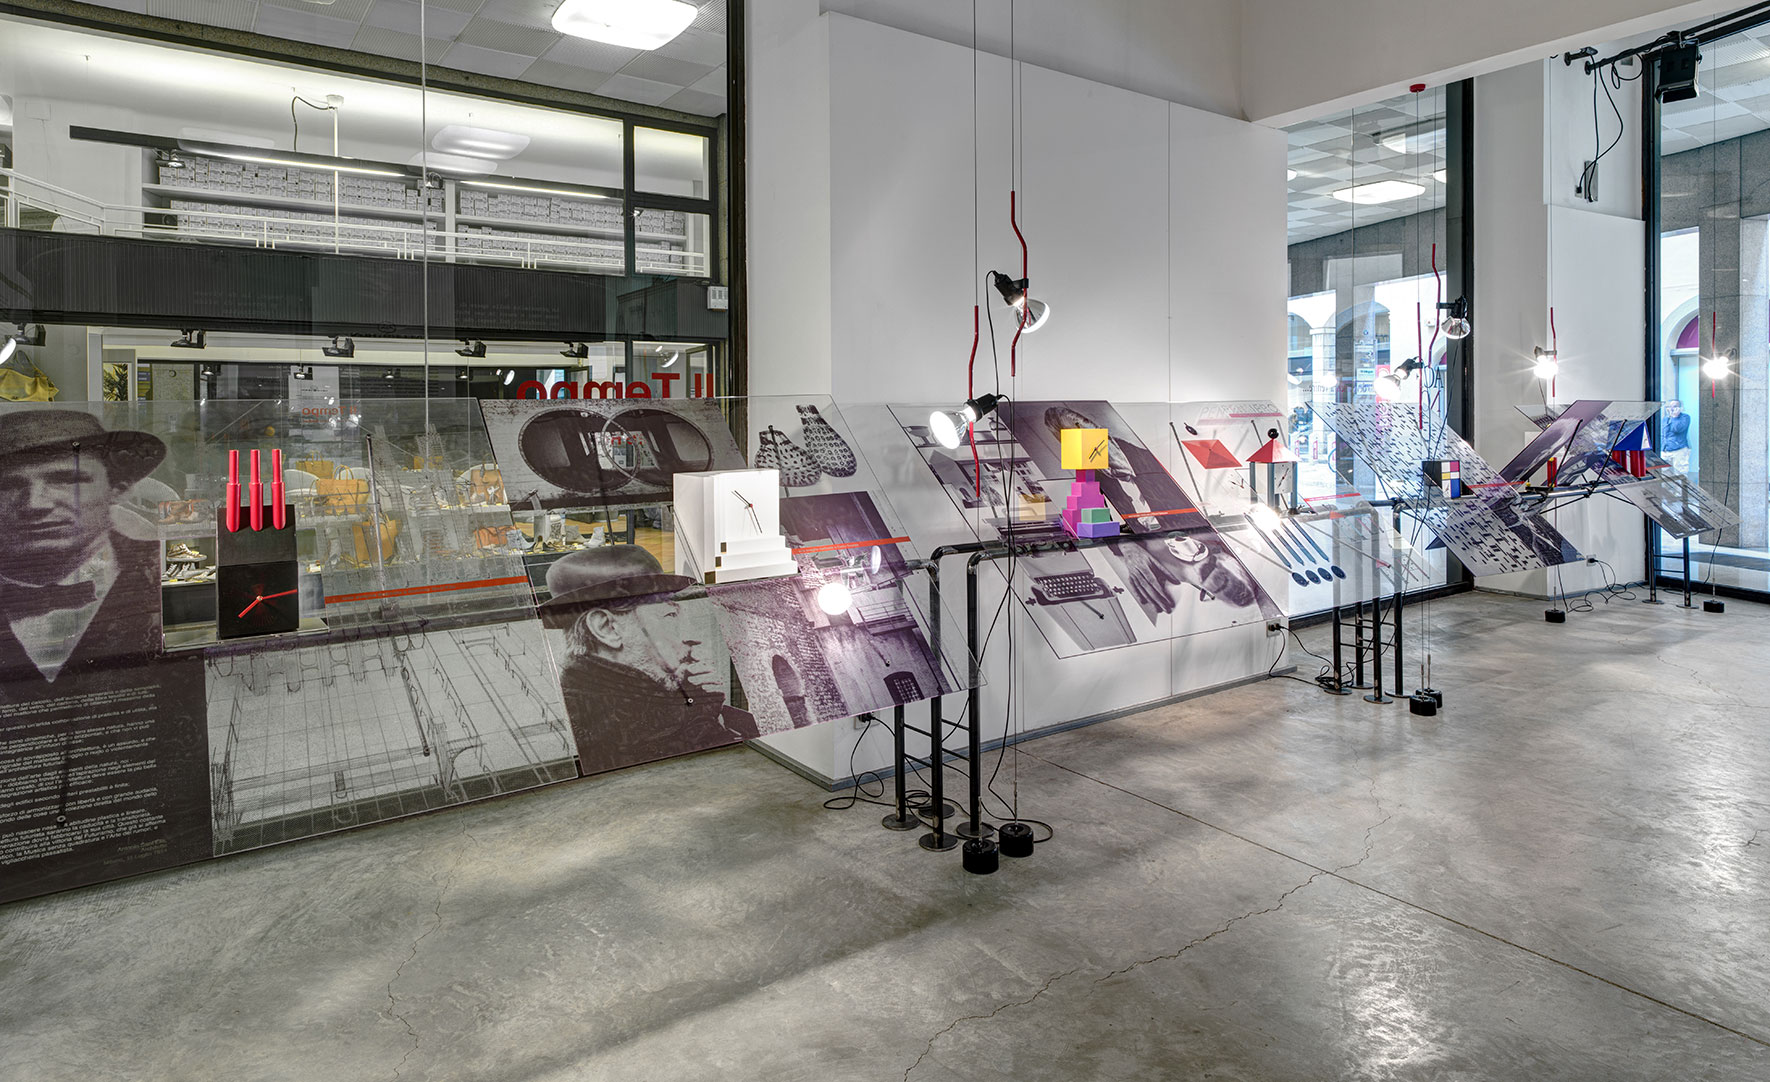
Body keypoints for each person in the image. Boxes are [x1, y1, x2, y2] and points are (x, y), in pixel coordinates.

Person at [540, 545, 758, 775]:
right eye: (669, 615)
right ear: (607, 628)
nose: (692, 636)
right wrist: (701, 721)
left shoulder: (613, 695)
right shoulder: (612, 720)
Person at [0, 410, 167, 688]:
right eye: (7, 485)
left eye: (67, 480)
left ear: (118, 489)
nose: (35, 504)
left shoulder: (162, 565)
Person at [1662, 399, 1691, 474]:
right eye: (1670, 406)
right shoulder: (1666, 418)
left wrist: (1675, 417)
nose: (1672, 409)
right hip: (1666, 449)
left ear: (1680, 408)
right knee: (1664, 472)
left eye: (1675, 406)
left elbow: (1677, 429)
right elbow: (1664, 432)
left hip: (1679, 449)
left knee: (1680, 472)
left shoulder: (1685, 417)